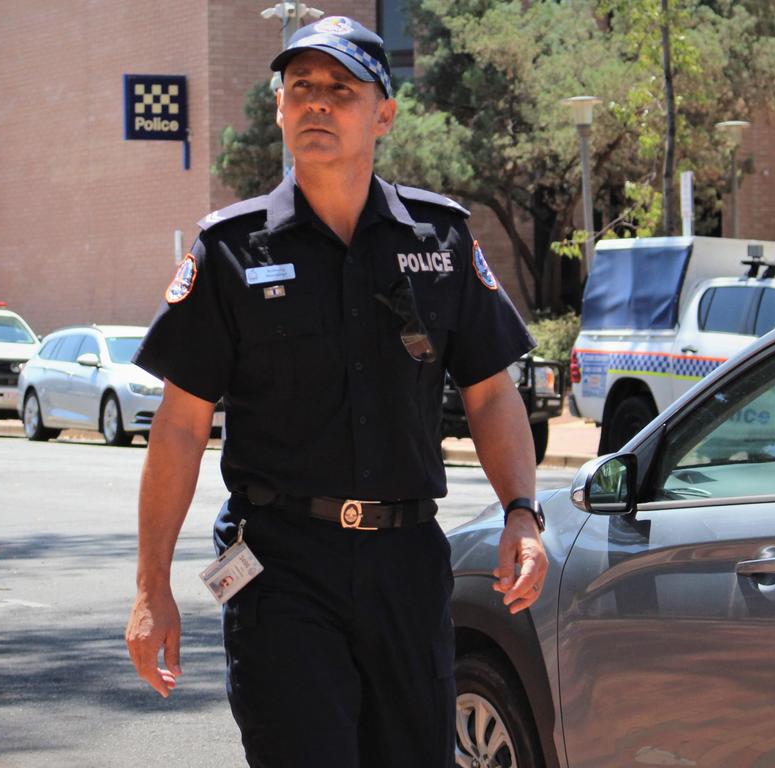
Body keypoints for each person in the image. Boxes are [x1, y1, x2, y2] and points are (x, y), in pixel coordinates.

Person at [125, 15, 548, 767]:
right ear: (281, 108)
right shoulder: (230, 249)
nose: (317, 103)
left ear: (383, 113)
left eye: (340, 90)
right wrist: (151, 588)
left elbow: (490, 393)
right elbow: (182, 427)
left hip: (407, 563)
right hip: (279, 565)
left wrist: (522, 512)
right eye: (301, 89)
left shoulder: (440, 241)